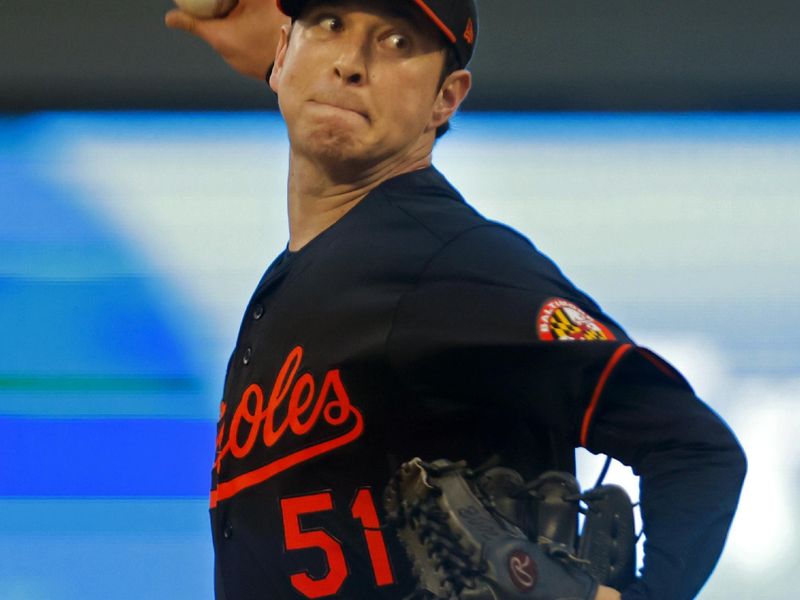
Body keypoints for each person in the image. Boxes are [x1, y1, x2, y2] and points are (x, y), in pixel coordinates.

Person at [166, 2, 746, 599]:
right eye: (331, 24)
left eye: (395, 42)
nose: (349, 64)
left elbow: (693, 446)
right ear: (283, 52)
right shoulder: (318, 262)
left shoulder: (450, 262)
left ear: (446, 98)